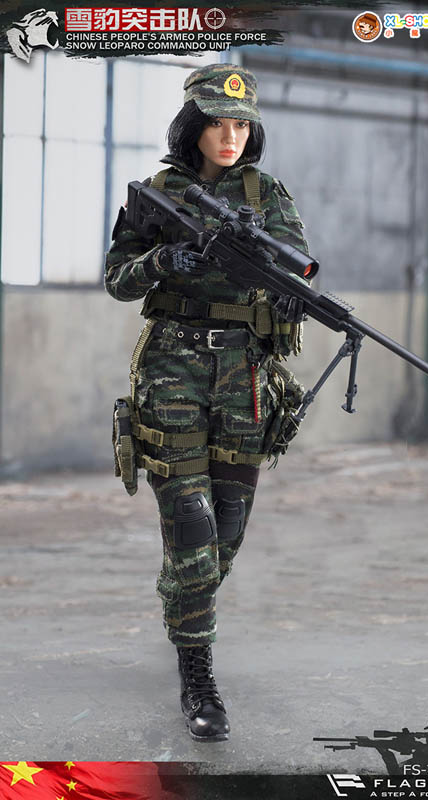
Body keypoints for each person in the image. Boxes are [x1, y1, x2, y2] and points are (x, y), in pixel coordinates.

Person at [105, 63, 309, 742]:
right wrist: (163, 263)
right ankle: (198, 675)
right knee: (191, 522)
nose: (230, 136)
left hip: (245, 376)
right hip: (172, 371)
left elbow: (296, 263)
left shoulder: (265, 193)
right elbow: (117, 279)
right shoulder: (159, 192)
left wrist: (288, 294)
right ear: (192, 126)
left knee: (227, 526)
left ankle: (183, 602)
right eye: (218, 123)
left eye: (241, 125)